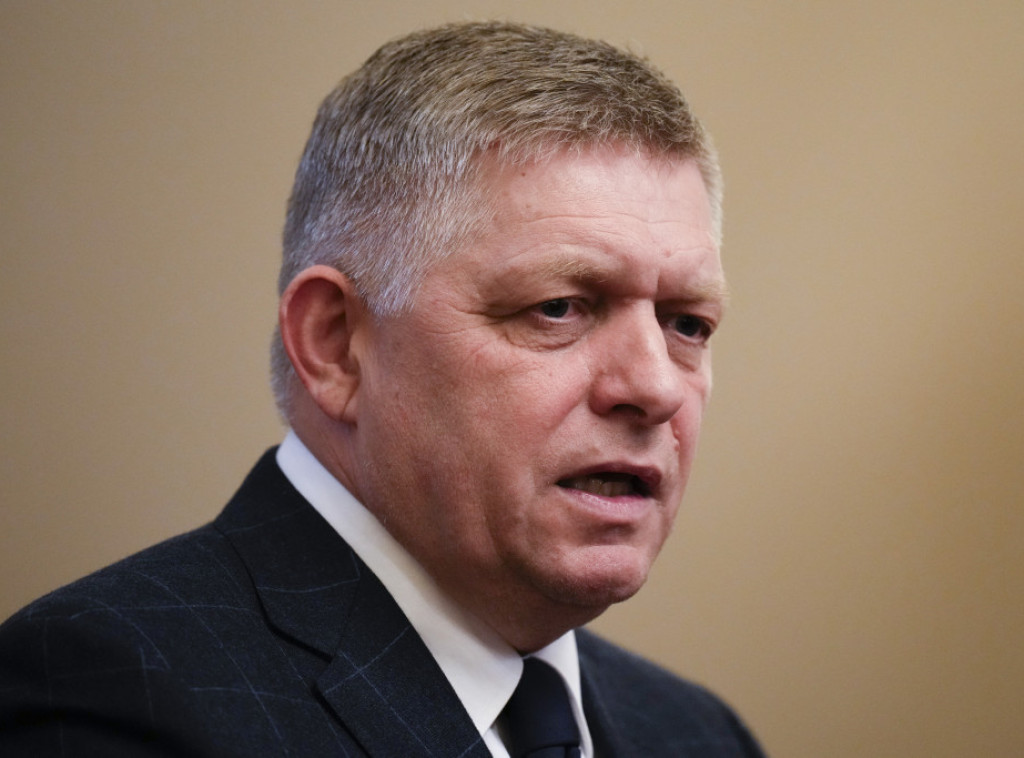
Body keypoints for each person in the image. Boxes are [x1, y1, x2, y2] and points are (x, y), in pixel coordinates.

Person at [0, 21, 766, 757]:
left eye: (687, 324)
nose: (655, 387)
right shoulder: (112, 690)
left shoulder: (699, 734)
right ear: (335, 345)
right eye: (558, 307)